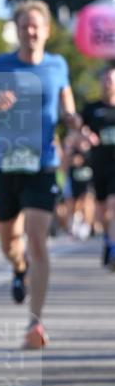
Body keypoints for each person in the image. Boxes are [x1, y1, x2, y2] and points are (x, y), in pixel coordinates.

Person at [0, 0, 82, 348]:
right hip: (4, 163)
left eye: (36, 26)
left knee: (37, 240)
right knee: (9, 242)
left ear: (47, 30)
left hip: (43, 163)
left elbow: (67, 108)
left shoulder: (57, 65)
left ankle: (35, 323)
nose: (30, 32)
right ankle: (18, 268)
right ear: (17, 30)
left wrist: (75, 124)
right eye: (24, 27)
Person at [82, 66, 115, 268]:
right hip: (99, 165)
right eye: (105, 80)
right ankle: (106, 239)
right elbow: (78, 129)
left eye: (112, 80)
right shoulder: (91, 108)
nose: (108, 83)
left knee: (113, 204)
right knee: (102, 210)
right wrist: (84, 135)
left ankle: (113, 247)